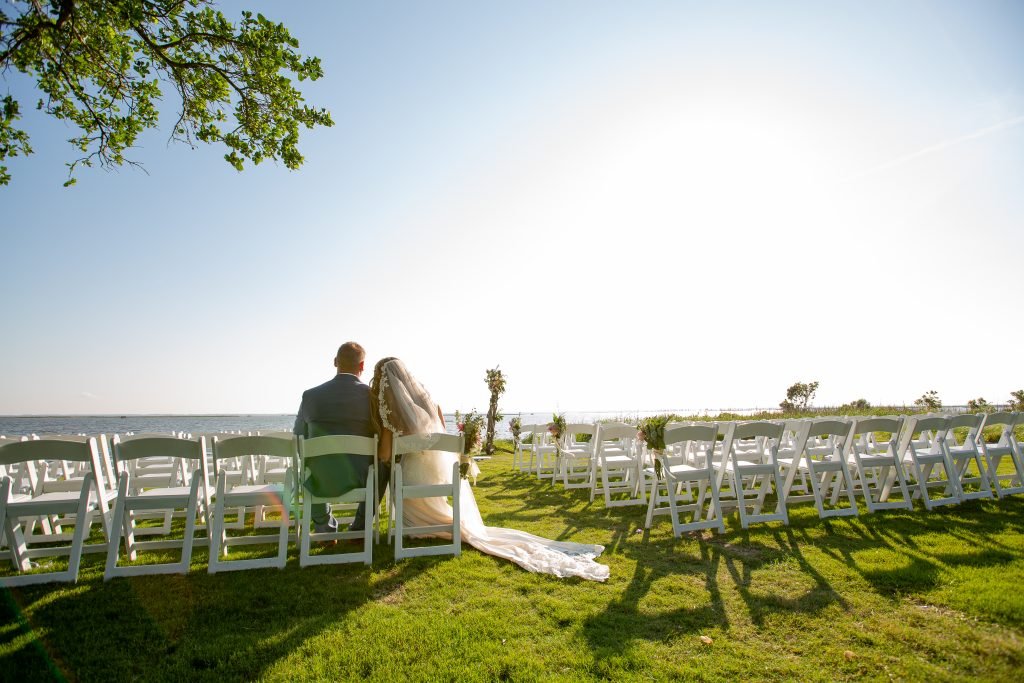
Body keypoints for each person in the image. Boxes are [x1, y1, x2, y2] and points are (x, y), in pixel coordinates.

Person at [370, 357, 610, 581]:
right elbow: (440, 440)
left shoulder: (391, 415)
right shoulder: (433, 406)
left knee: (413, 516)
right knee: (436, 514)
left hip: (412, 479)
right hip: (436, 478)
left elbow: (383, 455)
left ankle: (422, 525)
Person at [293, 341, 384, 533]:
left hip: (320, 478)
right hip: (362, 477)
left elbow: (298, 438)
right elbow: (380, 438)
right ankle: (360, 527)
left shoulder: (310, 396)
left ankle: (324, 527)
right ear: (362, 366)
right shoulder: (372, 397)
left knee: (307, 466)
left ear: (335, 362)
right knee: (383, 466)